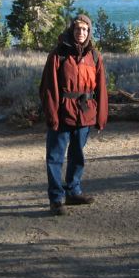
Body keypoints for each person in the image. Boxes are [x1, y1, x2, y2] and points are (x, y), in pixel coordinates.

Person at [39, 14, 108, 216]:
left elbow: (102, 89)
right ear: (72, 30)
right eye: (78, 29)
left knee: (78, 156)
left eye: (85, 29)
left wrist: (101, 116)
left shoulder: (94, 56)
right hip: (62, 114)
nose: (81, 33)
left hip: (85, 114)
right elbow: (48, 88)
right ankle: (56, 199)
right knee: (55, 158)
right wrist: (52, 115)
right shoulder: (58, 54)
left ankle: (73, 192)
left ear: (89, 32)